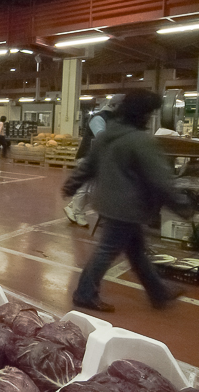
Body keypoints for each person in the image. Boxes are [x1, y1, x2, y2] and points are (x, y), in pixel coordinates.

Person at [62, 89, 190, 312]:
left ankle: (158, 293)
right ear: (143, 114)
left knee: (136, 252)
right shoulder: (140, 140)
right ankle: (84, 293)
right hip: (128, 208)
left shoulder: (108, 134)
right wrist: (183, 205)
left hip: (110, 204)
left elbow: (89, 164)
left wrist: (71, 184)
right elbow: (160, 180)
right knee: (107, 251)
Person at [64, 94, 125, 227]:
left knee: (93, 189)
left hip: (100, 158)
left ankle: (72, 207)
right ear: (114, 105)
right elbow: (102, 137)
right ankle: (78, 213)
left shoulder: (116, 119)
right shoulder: (98, 118)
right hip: (87, 157)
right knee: (84, 188)